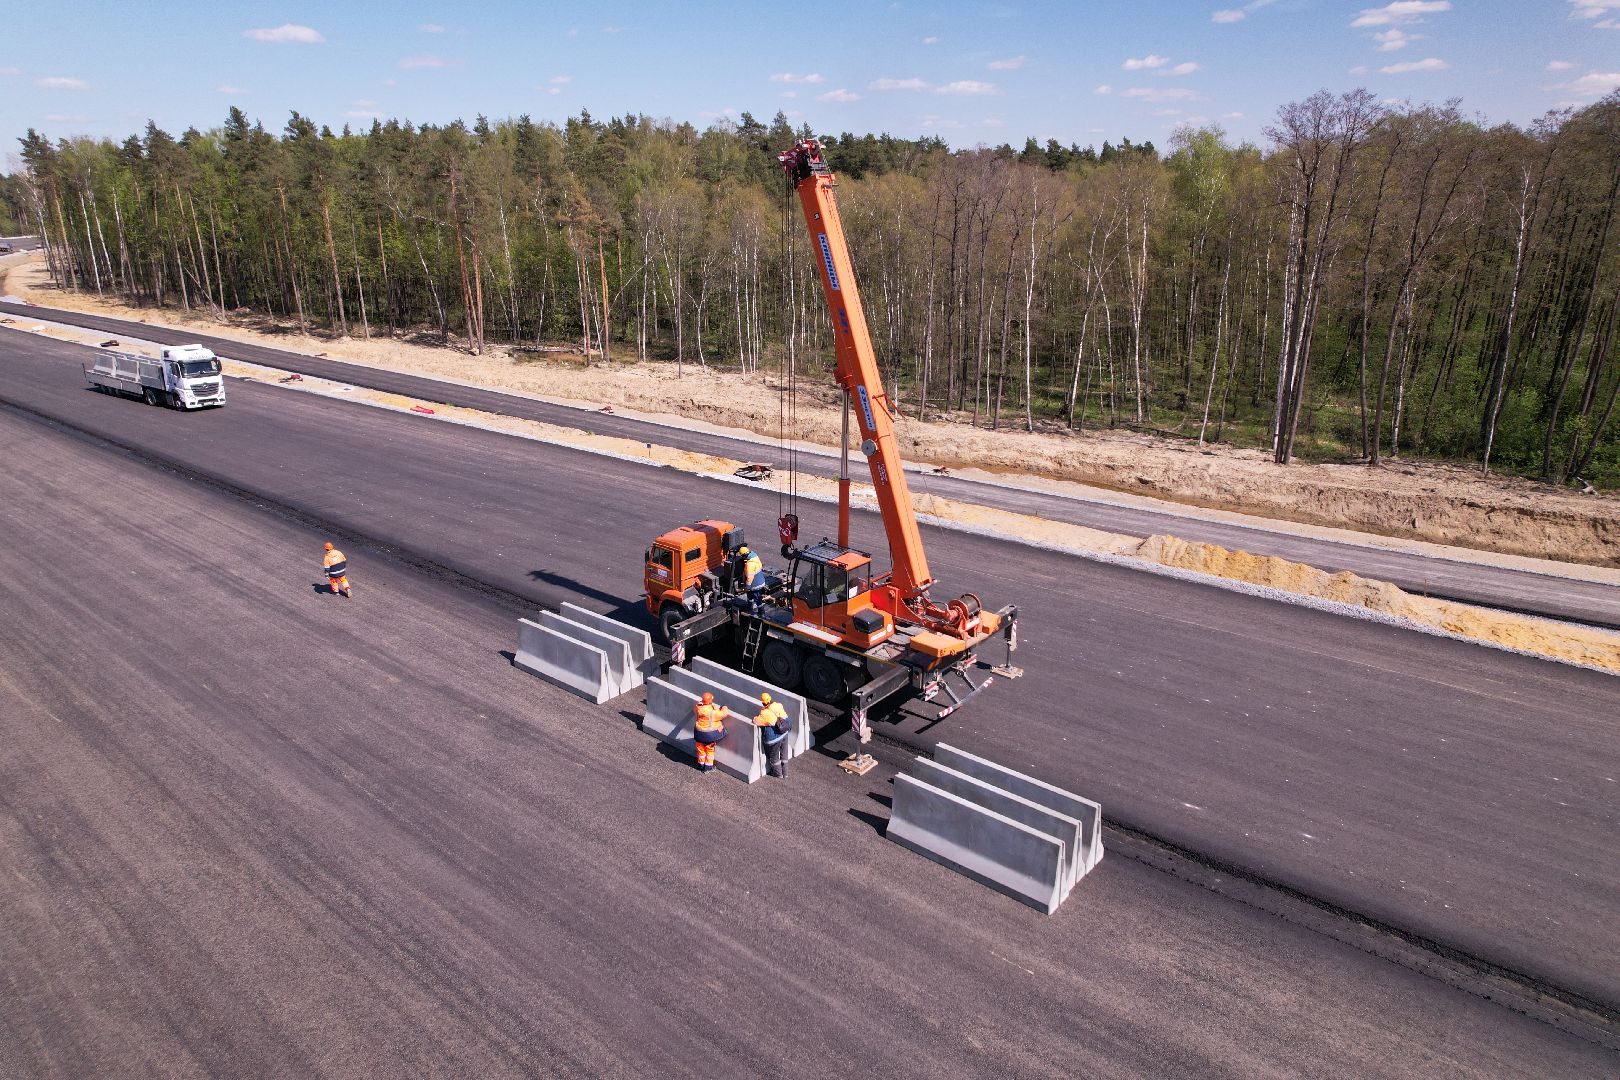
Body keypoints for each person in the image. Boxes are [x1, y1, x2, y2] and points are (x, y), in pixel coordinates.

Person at [753, 691, 792, 778]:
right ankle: (785, 773)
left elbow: (756, 721)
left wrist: (756, 717)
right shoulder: (778, 705)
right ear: (770, 699)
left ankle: (778, 774)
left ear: (763, 703)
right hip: (784, 733)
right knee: (784, 753)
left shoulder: (764, 713)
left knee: (774, 757)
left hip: (775, 738)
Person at [693, 692, 728, 772]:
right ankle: (708, 768)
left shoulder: (698, 708)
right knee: (709, 751)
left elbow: (696, 709)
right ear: (710, 700)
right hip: (709, 736)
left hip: (698, 734)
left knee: (701, 750)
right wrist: (724, 707)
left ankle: (701, 765)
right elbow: (724, 714)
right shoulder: (713, 712)